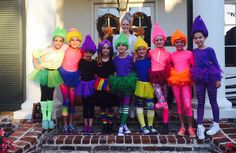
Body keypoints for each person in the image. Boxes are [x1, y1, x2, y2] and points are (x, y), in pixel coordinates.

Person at [29, 27, 67, 130]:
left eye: (60, 41)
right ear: (53, 41)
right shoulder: (48, 49)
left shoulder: (64, 48)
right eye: (56, 40)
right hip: (44, 72)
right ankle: (44, 119)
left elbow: (73, 47)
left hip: (54, 73)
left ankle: (49, 118)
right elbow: (34, 53)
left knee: (50, 96)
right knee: (44, 95)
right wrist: (37, 64)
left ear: (63, 42)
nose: (58, 43)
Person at [191, 15, 222, 140]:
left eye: (200, 37)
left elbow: (216, 63)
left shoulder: (210, 50)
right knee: (200, 102)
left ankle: (216, 124)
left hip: (211, 77)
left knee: (213, 101)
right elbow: (193, 64)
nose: (198, 40)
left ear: (204, 37)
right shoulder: (194, 52)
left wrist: (219, 78)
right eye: (196, 38)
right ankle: (200, 126)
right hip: (199, 78)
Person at [167, 29, 195, 138]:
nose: (179, 44)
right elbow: (169, 67)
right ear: (174, 43)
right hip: (175, 82)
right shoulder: (172, 55)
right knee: (179, 104)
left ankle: (190, 127)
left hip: (186, 81)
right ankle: (182, 127)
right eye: (177, 42)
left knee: (187, 105)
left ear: (184, 42)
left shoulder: (189, 53)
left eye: (181, 41)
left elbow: (194, 68)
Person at [109, 32, 137, 136]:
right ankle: (124, 125)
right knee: (121, 105)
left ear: (126, 47)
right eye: (119, 45)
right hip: (118, 83)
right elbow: (114, 71)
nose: (121, 47)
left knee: (126, 104)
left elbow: (133, 69)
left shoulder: (130, 58)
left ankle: (121, 126)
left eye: (123, 45)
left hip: (128, 83)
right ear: (117, 47)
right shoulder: (115, 59)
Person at [113, 12, 137, 119]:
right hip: (119, 63)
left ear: (130, 25)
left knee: (130, 88)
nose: (125, 26)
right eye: (123, 24)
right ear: (121, 25)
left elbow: (134, 52)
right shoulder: (116, 37)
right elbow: (114, 51)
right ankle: (120, 108)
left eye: (127, 24)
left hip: (129, 64)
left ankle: (131, 107)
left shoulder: (133, 38)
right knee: (120, 89)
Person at [59, 28, 83, 134]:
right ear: (69, 41)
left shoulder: (82, 51)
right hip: (63, 76)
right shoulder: (64, 48)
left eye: (77, 40)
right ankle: (65, 125)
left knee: (72, 102)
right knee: (66, 101)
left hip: (74, 77)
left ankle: (71, 124)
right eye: (72, 39)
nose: (74, 42)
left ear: (80, 41)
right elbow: (53, 49)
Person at [148, 22, 171, 134]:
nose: (159, 42)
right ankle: (152, 107)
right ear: (154, 41)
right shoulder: (151, 52)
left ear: (164, 40)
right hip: (155, 79)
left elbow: (170, 66)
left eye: (161, 39)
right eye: (157, 40)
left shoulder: (168, 54)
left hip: (164, 79)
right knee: (162, 102)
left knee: (165, 102)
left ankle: (165, 126)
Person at [133, 36, 157, 135]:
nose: (142, 51)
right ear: (136, 51)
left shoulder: (149, 60)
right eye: (139, 49)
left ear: (146, 50)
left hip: (149, 85)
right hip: (139, 85)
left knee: (150, 105)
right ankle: (143, 126)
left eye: (143, 49)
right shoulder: (135, 62)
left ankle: (150, 125)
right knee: (140, 105)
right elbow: (132, 73)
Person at [75, 35, 97, 134]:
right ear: (84, 52)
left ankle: (90, 125)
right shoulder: (81, 62)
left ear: (92, 53)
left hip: (91, 85)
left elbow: (96, 74)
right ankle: (85, 125)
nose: (88, 54)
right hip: (83, 86)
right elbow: (79, 73)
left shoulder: (94, 62)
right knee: (85, 106)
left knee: (91, 106)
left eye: (90, 52)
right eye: (86, 52)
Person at [95, 40, 116, 134]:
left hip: (110, 85)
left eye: (107, 48)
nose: (106, 50)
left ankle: (110, 124)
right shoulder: (97, 60)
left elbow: (115, 73)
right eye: (104, 48)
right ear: (100, 49)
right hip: (100, 86)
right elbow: (94, 73)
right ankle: (104, 124)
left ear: (110, 49)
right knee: (103, 106)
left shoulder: (113, 60)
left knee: (110, 106)